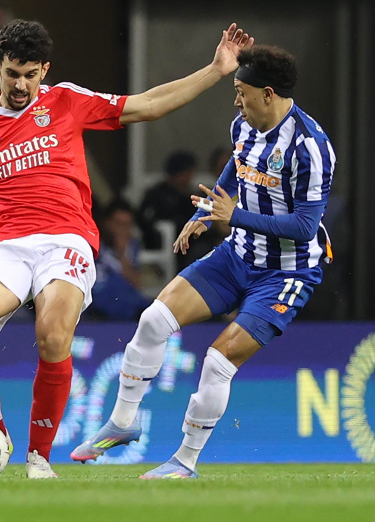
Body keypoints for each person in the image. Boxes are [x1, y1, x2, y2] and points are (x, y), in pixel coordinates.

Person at [0, 19, 253, 479]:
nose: (21, 84)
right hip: (8, 242)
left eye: (30, 74)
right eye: (12, 74)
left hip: (67, 238)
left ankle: (39, 457)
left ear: (44, 70)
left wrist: (216, 70)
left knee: (53, 334)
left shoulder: (66, 101)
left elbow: (146, 106)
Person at [71, 44, 334, 479]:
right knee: (154, 319)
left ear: (267, 94)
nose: (236, 100)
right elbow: (237, 166)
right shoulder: (244, 126)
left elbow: (306, 227)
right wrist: (205, 212)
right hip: (238, 255)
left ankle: (184, 461)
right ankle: (123, 422)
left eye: (241, 91)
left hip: (286, 273)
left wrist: (235, 217)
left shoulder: (311, 148)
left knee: (217, 361)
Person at [88, 199, 148, 321]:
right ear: (107, 222)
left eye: (127, 225)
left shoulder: (132, 245)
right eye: (118, 223)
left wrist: (121, 254)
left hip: (125, 300)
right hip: (97, 301)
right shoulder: (92, 242)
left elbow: (136, 282)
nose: (122, 229)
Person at [137, 150, 199, 268]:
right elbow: (146, 222)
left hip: (190, 244)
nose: (190, 177)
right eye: (187, 172)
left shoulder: (189, 195)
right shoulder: (157, 194)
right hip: (164, 246)